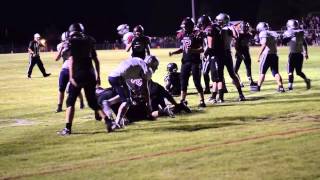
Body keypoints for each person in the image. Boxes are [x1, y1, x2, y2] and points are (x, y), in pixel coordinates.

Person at [57, 23, 113, 136]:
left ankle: (67, 129)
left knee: (70, 101)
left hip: (78, 74)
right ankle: (107, 120)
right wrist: (98, 76)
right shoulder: (89, 40)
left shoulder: (71, 41)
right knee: (92, 102)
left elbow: (71, 59)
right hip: (90, 74)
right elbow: (96, 60)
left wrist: (72, 76)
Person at [107, 56, 159, 127]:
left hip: (113, 76)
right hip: (118, 78)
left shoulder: (137, 60)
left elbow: (127, 71)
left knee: (128, 98)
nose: (156, 67)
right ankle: (117, 122)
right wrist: (148, 104)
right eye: (155, 65)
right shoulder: (145, 68)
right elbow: (145, 88)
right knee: (127, 101)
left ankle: (108, 103)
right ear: (151, 63)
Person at [169, 17, 206, 108]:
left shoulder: (197, 34)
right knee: (183, 81)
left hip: (195, 62)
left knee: (197, 81)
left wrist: (192, 50)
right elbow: (183, 49)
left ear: (190, 26)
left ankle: (202, 100)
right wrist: (174, 52)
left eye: (185, 26)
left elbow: (202, 49)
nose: (183, 28)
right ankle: (182, 100)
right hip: (185, 61)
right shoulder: (184, 35)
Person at [215, 13, 245, 102]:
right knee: (232, 75)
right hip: (228, 53)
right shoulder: (230, 28)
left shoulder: (223, 29)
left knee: (220, 77)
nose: (217, 22)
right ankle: (241, 94)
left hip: (221, 54)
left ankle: (220, 97)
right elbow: (236, 36)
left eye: (219, 20)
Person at [55, 31, 85, 113]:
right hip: (65, 69)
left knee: (72, 89)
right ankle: (59, 106)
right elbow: (56, 58)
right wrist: (62, 49)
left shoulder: (75, 45)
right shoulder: (60, 46)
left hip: (74, 69)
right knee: (61, 88)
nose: (67, 41)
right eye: (65, 40)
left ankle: (81, 100)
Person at [253, 22, 285, 92]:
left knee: (262, 72)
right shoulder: (272, 32)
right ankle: (281, 87)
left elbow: (264, 44)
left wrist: (259, 55)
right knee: (275, 72)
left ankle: (258, 87)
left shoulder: (263, 33)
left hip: (266, 55)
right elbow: (279, 39)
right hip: (274, 54)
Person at [282, 19, 311, 90]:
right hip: (300, 55)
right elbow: (304, 43)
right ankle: (306, 80)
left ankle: (290, 86)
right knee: (298, 72)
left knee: (290, 70)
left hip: (293, 54)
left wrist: (288, 37)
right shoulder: (300, 32)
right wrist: (306, 53)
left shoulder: (288, 32)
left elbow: (283, 42)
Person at [234, 21, 257, 87]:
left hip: (240, 53)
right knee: (248, 68)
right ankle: (250, 81)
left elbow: (236, 46)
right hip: (245, 53)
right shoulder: (249, 34)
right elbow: (254, 31)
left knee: (235, 70)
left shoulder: (239, 35)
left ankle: (240, 82)